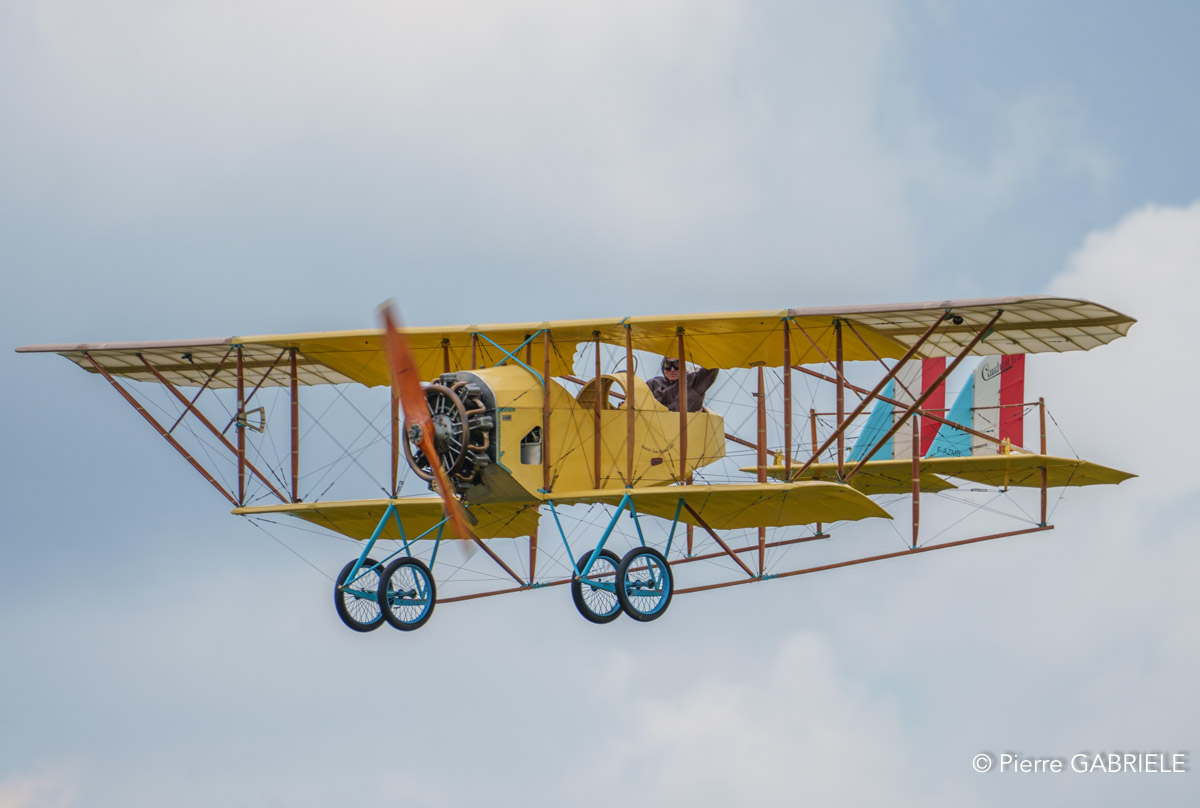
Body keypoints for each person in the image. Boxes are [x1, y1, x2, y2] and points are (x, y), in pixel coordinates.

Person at [646, 357, 718, 412]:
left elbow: (711, 369)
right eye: (667, 365)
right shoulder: (653, 384)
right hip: (656, 426)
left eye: (677, 365)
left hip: (687, 428)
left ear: (683, 366)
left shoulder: (694, 381)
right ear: (663, 368)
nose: (672, 369)